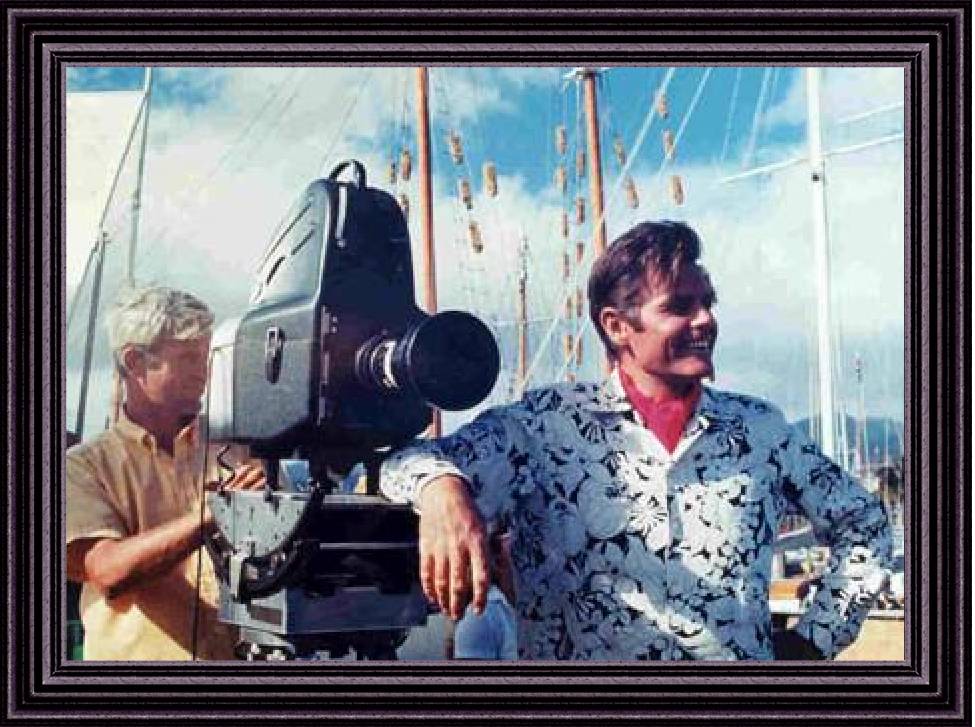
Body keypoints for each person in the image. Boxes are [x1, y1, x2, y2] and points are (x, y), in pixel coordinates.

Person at [381, 221, 892, 661]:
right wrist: (442, 490)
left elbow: (865, 523)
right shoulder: (542, 426)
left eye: (707, 303)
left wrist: (812, 642)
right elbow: (401, 462)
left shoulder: (760, 431)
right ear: (617, 325)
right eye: (679, 307)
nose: (706, 319)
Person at [66, 285, 263, 660]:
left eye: (206, 358)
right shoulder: (81, 467)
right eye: (189, 358)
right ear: (135, 362)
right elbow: (107, 570)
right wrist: (211, 515)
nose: (203, 373)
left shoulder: (239, 450)